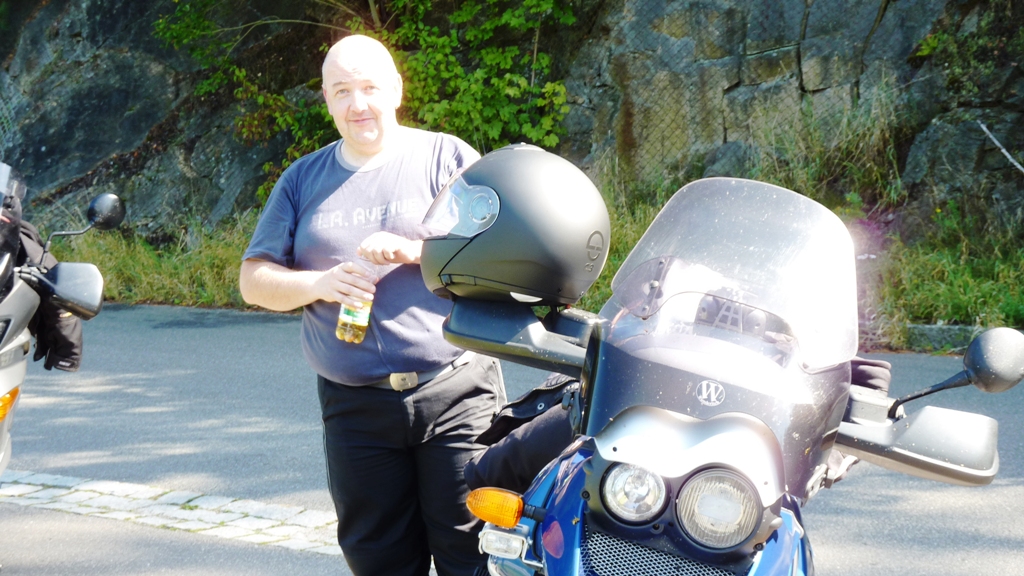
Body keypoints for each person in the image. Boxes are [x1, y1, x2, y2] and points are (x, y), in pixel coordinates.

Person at [238, 35, 505, 576]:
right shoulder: (301, 180)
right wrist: (320, 284)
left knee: (475, 554)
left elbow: (500, 251)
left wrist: (416, 251)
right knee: (378, 560)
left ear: (397, 90)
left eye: (369, 88)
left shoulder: (446, 158)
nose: (358, 104)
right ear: (326, 100)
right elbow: (253, 281)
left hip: (457, 394)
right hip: (355, 409)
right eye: (342, 91)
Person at [464, 357, 893, 493]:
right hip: (635, 426)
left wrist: (828, 455)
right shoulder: (676, 274)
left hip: (741, 463)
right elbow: (618, 326)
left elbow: (865, 379)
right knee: (488, 472)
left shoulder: (809, 310)